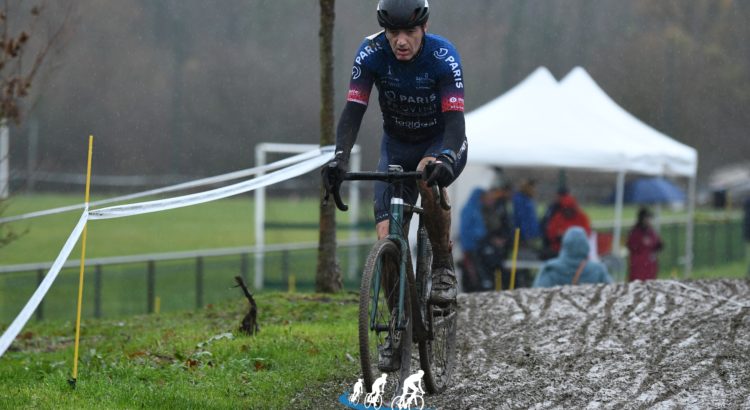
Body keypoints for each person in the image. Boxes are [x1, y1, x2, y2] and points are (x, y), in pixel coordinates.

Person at [322, 0, 468, 308]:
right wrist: (339, 157)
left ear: (424, 27)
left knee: (427, 174)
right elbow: (353, 110)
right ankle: (398, 325)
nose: (400, 41)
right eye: (393, 32)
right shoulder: (371, 52)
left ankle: (443, 267)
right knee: (387, 235)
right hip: (397, 147)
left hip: (439, 142)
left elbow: (456, 122)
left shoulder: (443, 56)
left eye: (409, 32)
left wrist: (446, 157)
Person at [459, 184, 512, 291]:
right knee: (474, 272)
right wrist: (480, 236)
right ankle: (475, 288)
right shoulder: (469, 210)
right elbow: (466, 230)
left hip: (478, 245)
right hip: (471, 247)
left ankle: (481, 286)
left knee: (480, 270)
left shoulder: (476, 209)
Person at [533, 226, 613, 288]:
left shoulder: (550, 269)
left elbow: (537, 295)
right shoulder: (598, 270)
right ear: (586, 245)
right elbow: (612, 293)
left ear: (564, 244)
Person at [544, 192, 591, 256]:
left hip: (577, 250)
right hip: (559, 249)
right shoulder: (558, 217)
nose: (568, 212)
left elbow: (587, 233)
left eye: (570, 209)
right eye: (566, 209)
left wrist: (570, 237)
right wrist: (559, 236)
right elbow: (551, 234)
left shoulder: (582, 217)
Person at [626, 207, 663, 282]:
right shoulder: (635, 232)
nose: (649, 220)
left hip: (650, 265)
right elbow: (632, 246)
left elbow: (658, 244)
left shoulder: (651, 231)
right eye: (648, 218)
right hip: (639, 266)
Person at [512, 179, 541, 245]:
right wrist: (526, 234)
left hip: (530, 234)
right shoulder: (520, 200)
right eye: (532, 188)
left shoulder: (528, 199)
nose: (534, 190)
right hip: (524, 235)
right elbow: (522, 218)